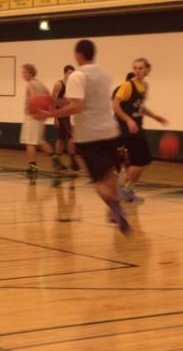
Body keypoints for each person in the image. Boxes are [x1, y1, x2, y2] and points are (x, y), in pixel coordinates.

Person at [37, 39, 129, 233]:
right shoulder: (105, 74)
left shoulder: (77, 76)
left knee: (98, 182)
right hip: (110, 131)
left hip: (89, 135)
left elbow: (77, 106)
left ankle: (114, 206)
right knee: (110, 172)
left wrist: (50, 113)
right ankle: (116, 206)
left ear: (78, 54)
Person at [113, 57, 168, 203]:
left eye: (140, 68)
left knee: (145, 161)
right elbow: (115, 105)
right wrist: (128, 120)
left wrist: (155, 116)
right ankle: (121, 187)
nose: (137, 71)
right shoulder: (127, 86)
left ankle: (128, 190)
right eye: (135, 68)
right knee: (138, 162)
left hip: (138, 127)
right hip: (128, 129)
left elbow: (140, 107)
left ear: (147, 70)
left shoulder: (144, 86)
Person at [20, 63, 55, 175]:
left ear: (30, 73)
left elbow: (34, 98)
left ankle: (32, 166)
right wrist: (46, 111)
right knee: (39, 140)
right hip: (41, 116)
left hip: (32, 116)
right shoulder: (40, 83)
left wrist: (32, 111)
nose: (23, 74)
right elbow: (49, 96)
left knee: (30, 142)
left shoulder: (31, 84)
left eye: (24, 72)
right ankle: (55, 158)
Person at [51, 65, 79, 172]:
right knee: (71, 137)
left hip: (67, 115)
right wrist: (55, 118)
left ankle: (57, 163)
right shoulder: (59, 84)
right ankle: (73, 161)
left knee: (61, 139)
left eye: (73, 73)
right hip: (60, 115)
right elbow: (53, 100)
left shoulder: (72, 86)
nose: (71, 75)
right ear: (65, 73)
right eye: (69, 73)